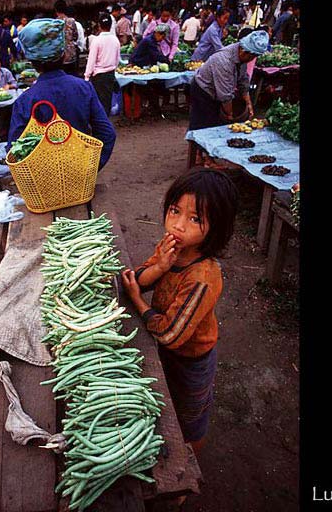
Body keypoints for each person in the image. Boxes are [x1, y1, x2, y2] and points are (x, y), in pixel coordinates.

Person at [121, 167, 238, 454]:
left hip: (191, 360)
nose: (179, 225)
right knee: (165, 398)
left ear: (217, 227)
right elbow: (137, 279)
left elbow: (172, 334)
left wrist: (138, 302)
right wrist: (159, 267)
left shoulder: (203, 277)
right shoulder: (172, 249)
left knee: (191, 418)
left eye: (195, 219)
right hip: (166, 347)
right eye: (175, 211)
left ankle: (189, 467)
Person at [10, 18, 116, 169]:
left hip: (44, 181)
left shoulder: (26, 100)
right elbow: (107, 133)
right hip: (80, 175)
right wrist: (91, 167)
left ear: (32, 62)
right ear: (64, 55)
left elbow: (13, 152)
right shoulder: (84, 89)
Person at [187, 30, 269, 132]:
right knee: (200, 123)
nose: (252, 59)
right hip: (202, 88)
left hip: (217, 90)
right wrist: (230, 116)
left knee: (214, 123)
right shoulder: (224, 61)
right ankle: (194, 145)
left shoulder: (243, 55)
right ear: (244, 52)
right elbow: (225, 95)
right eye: (252, 57)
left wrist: (248, 104)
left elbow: (243, 80)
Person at [84, 13, 120, 115]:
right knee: (106, 103)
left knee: (98, 104)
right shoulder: (115, 40)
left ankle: (100, 127)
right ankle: (105, 125)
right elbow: (117, 59)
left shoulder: (97, 40)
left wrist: (87, 76)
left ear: (99, 25)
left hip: (99, 76)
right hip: (110, 75)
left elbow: (91, 60)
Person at [53, 0, 79, 76]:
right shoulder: (71, 21)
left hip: (59, 55)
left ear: (56, 10)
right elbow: (75, 36)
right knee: (72, 75)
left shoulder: (54, 23)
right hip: (71, 54)